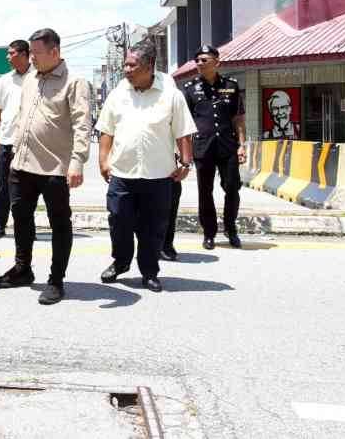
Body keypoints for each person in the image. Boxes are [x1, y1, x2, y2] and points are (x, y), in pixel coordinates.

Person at [0, 28, 91, 306]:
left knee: (60, 225)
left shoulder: (75, 82)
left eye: (36, 53)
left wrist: (77, 162)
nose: (32, 58)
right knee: (21, 220)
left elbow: (82, 125)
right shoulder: (30, 80)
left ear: (55, 52)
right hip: (22, 164)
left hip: (55, 168)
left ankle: (56, 280)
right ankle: (22, 269)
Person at [96, 40, 196, 292]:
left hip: (159, 175)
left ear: (149, 65)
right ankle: (120, 263)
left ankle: (150, 271)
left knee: (153, 228)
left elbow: (184, 132)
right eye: (125, 65)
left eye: (132, 65)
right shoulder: (118, 94)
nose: (127, 69)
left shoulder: (171, 95)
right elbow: (106, 130)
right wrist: (103, 159)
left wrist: (186, 162)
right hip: (122, 173)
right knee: (119, 221)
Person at [182, 44, 247, 250]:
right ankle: (209, 232)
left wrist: (242, 145)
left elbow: (238, 119)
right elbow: (185, 123)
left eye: (205, 60)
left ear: (216, 62)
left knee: (232, 188)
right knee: (205, 191)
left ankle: (230, 228)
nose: (200, 63)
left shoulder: (231, 85)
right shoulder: (190, 88)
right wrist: (185, 152)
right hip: (203, 147)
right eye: (198, 60)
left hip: (228, 146)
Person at [0, 39, 31, 241]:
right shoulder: (4, 80)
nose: (7, 56)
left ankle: (26, 227)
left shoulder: (38, 77)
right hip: (6, 140)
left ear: (23, 54)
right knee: (3, 185)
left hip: (29, 143)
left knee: (28, 187)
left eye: (11, 52)